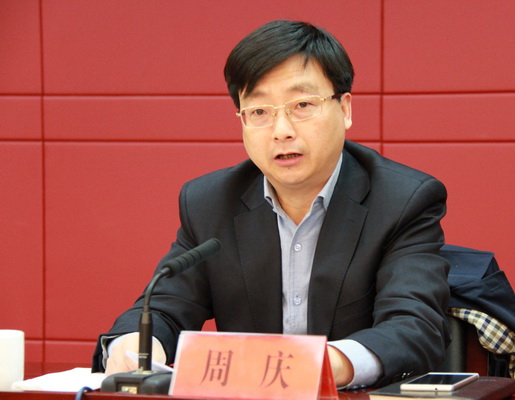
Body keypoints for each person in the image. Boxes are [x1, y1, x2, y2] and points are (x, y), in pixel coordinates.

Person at [92, 19, 451, 389]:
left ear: (344, 109)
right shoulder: (210, 203)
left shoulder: (402, 201)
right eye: (260, 112)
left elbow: (414, 327)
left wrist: (316, 367)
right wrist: (134, 347)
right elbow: (164, 308)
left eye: (302, 105)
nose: (282, 131)